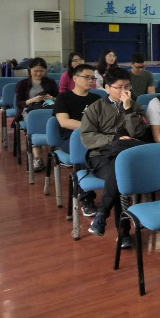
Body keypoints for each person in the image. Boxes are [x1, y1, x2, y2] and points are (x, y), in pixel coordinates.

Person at [80, 67, 147, 244]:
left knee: (119, 168)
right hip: (101, 155)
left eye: (127, 86)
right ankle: (123, 233)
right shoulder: (95, 108)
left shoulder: (135, 106)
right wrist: (113, 139)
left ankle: (102, 214)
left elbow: (138, 133)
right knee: (119, 172)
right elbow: (87, 137)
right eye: (119, 87)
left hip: (127, 156)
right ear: (107, 87)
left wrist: (128, 110)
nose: (124, 91)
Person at [53, 63, 101, 216]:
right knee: (84, 149)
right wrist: (91, 127)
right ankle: (87, 198)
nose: (90, 81)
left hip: (95, 136)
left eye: (92, 78)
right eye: (86, 77)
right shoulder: (63, 98)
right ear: (75, 78)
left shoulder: (97, 98)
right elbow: (64, 122)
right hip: (72, 139)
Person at [14, 57, 59, 172]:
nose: (39, 74)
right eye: (36, 71)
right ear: (30, 70)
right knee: (36, 125)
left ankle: (58, 152)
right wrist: (32, 100)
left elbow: (59, 99)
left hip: (47, 108)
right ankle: (37, 158)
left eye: (42, 71)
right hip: (30, 110)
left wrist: (51, 98)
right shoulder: (22, 84)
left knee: (57, 120)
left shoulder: (50, 82)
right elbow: (19, 103)